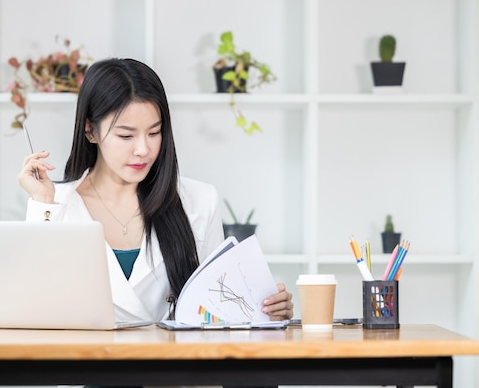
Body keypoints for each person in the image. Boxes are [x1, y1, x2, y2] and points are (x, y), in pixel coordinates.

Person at [18, 57, 294, 324]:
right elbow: (32, 303)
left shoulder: (198, 200)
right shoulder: (56, 205)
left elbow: (218, 310)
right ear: (91, 131)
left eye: (154, 133)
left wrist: (267, 309)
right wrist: (43, 203)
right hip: (82, 366)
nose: (143, 150)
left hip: (170, 366)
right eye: (126, 136)